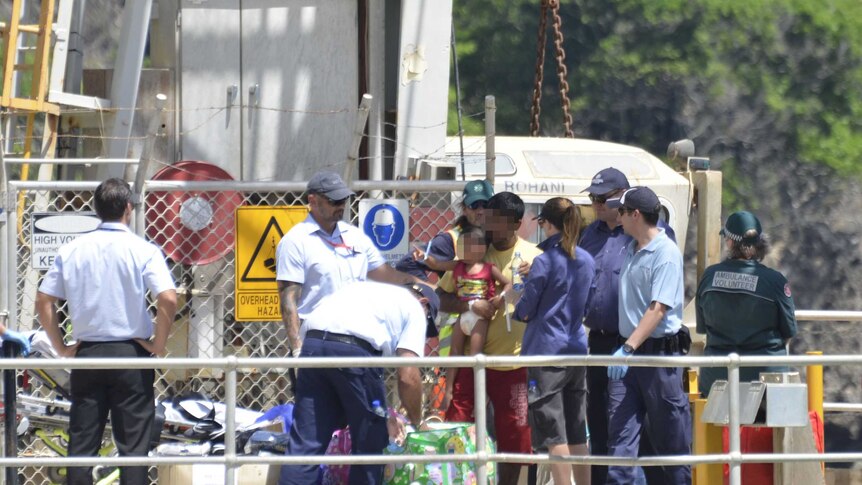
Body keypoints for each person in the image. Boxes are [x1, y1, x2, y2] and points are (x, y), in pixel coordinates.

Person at [35, 178, 177, 485]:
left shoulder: (72, 249)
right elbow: (168, 297)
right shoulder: (143, 249)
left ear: (96, 210)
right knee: (133, 448)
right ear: (128, 208)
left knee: (82, 444)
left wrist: (60, 347)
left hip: (88, 354)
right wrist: (158, 342)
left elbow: (44, 299)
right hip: (131, 354)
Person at [281, 281, 439, 484]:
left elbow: (360, 397)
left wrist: (386, 414)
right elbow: (408, 376)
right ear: (424, 302)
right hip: (354, 351)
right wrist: (418, 422)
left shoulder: (369, 290)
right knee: (369, 445)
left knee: (305, 445)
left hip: (312, 345)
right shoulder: (415, 308)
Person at [437, 191, 542, 485]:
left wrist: (539, 276)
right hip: (472, 362)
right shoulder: (475, 252)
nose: (490, 227)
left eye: (497, 221)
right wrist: (470, 305)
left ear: (516, 223)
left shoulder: (535, 257)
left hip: (514, 364)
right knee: (456, 427)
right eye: (487, 219)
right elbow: (441, 297)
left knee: (515, 437)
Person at [577, 167, 675, 485]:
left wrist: (630, 345)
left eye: (602, 198)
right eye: (593, 198)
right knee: (605, 424)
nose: (597, 205)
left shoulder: (648, 237)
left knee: (650, 428)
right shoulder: (589, 235)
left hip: (642, 346)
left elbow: (659, 302)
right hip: (602, 343)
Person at [276, 171, 419, 358]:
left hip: (358, 337)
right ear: (313, 200)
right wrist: (297, 349)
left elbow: (387, 274)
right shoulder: (296, 241)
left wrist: (425, 286)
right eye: (334, 201)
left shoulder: (355, 236)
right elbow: (289, 299)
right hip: (319, 340)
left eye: (343, 200)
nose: (341, 206)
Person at [604, 186, 691, 484]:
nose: (617, 217)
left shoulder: (665, 254)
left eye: (622, 212)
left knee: (672, 442)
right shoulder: (631, 248)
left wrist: (627, 348)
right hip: (628, 357)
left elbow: (658, 309)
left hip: (657, 357)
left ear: (635, 215)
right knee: (620, 441)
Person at [513, 197, 595, 485]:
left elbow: (526, 310)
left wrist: (516, 302)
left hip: (545, 353)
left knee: (553, 432)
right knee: (576, 430)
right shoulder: (587, 260)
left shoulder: (544, 262)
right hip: (576, 350)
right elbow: (587, 305)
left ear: (546, 224)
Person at [696, 211, 797, 396]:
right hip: (766, 384)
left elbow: (703, 329)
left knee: (714, 422)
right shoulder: (775, 281)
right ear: (760, 243)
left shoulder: (709, 277)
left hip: (718, 382)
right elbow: (788, 332)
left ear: (730, 242)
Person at [414, 225, 512, 409]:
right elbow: (438, 265)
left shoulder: (488, 268)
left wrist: (500, 297)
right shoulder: (458, 265)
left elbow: (507, 284)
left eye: (465, 247)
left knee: (476, 356)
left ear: (480, 249)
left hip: (479, 319)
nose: (461, 252)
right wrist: (424, 258)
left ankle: (481, 393)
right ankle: (449, 389)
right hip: (463, 315)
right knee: (455, 352)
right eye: (460, 247)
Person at [396, 179, 494, 282]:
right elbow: (407, 263)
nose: (481, 211)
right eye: (474, 205)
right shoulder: (451, 240)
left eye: (486, 205)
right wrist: (430, 290)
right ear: (464, 210)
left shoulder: (501, 235)